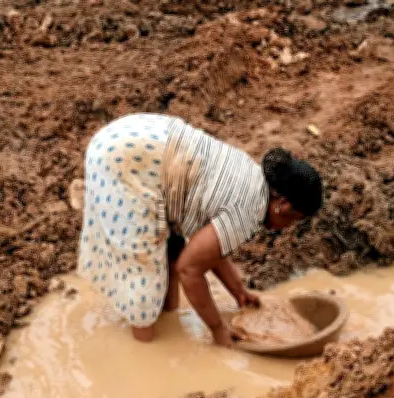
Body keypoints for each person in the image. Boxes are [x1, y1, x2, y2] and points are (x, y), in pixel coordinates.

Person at [78, 113, 323, 346]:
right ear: (283, 204)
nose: (286, 228)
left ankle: (168, 320)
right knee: (144, 269)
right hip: (126, 162)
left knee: (172, 252)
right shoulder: (249, 210)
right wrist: (217, 329)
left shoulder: (254, 179)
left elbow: (209, 250)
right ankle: (145, 349)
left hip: (141, 140)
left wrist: (238, 292)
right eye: (293, 220)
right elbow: (190, 270)